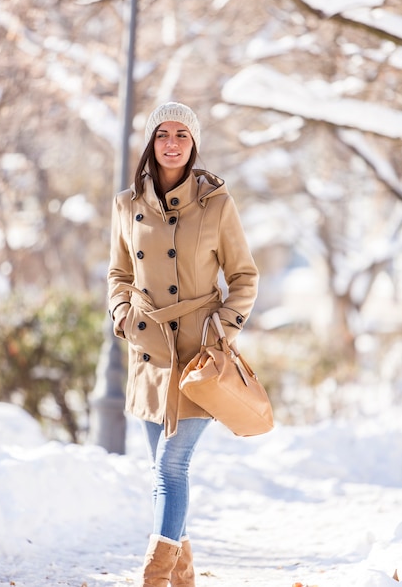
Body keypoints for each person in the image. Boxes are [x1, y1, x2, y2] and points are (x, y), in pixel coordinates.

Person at [107, 102, 259, 587]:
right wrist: (121, 314)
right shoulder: (126, 204)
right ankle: (183, 575)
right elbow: (118, 273)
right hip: (149, 351)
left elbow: (243, 276)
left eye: (182, 135)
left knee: (172, 466)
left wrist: (224, 328)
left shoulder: (217, 204)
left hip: (199, 354)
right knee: (161, 470)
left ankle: (153, 576)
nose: (172, 142)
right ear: (151, 143)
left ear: (193, 145)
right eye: (163, 134)